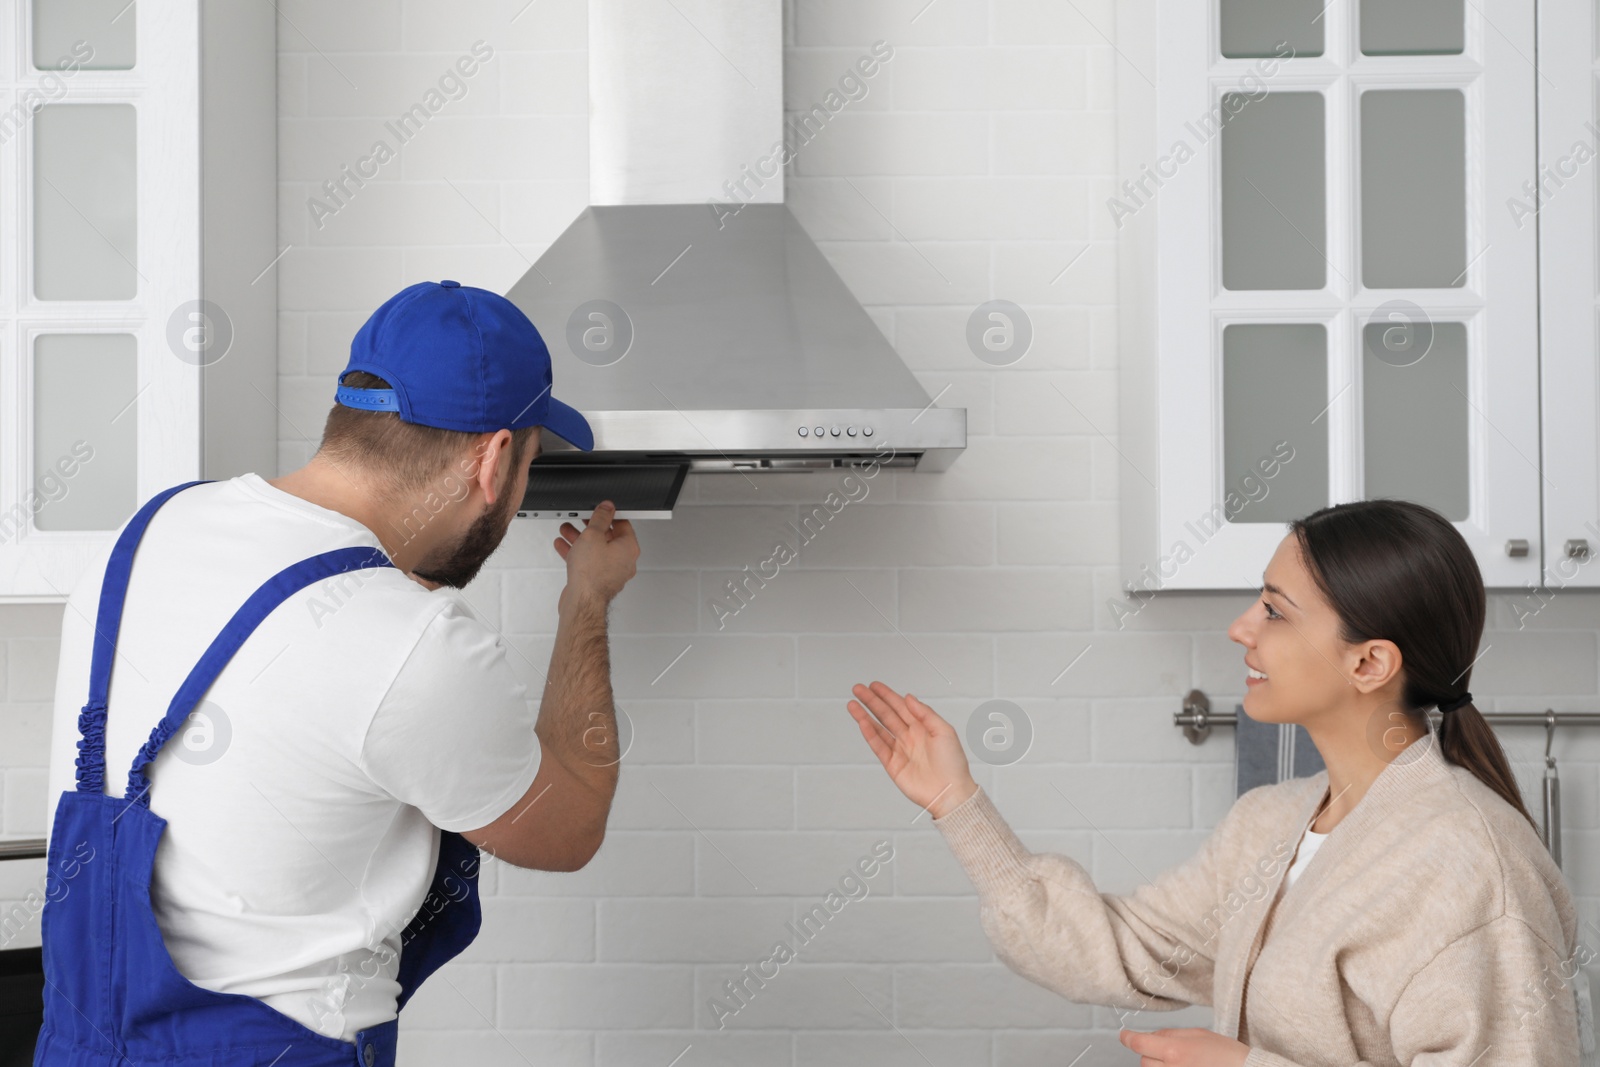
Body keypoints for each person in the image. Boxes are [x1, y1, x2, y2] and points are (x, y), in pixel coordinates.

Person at [37, 280, 640, 1066]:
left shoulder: (150, 531)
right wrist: (586, 600)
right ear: (493, 460)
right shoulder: (411, 643)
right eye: (528, 462)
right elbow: (570, 827)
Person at [847, 498, 1583, 1065]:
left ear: (1369, 663)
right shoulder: (1272, 823)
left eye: (1273, 609)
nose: (1241, 627)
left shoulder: (1471, 863)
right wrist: (957, 802)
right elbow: (1112, 949)